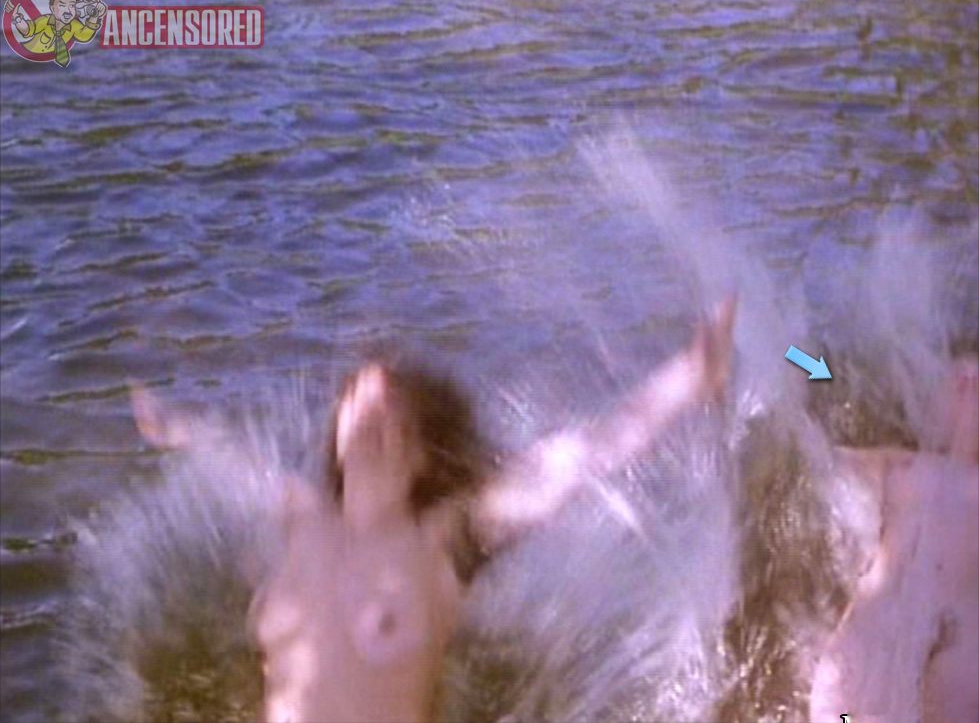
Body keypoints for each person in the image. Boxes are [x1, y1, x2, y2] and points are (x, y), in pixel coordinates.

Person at [133, 297, 737, 723]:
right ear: (336, 432)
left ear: (423, 454)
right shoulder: (297, 514)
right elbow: (230, 462)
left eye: (391, 412)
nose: (372, 413)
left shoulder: (441, 542)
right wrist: (178, 429)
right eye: (358, 401)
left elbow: (580, 458)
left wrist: (687, 377)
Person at [809, 357, 979, 723]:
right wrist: (801, 364)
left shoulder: (903, 468)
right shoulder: (902, 467)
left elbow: (816, 457)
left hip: (879, 667)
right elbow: (816, 458)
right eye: (963, 380)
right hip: (892, 673)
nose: (969, 385)